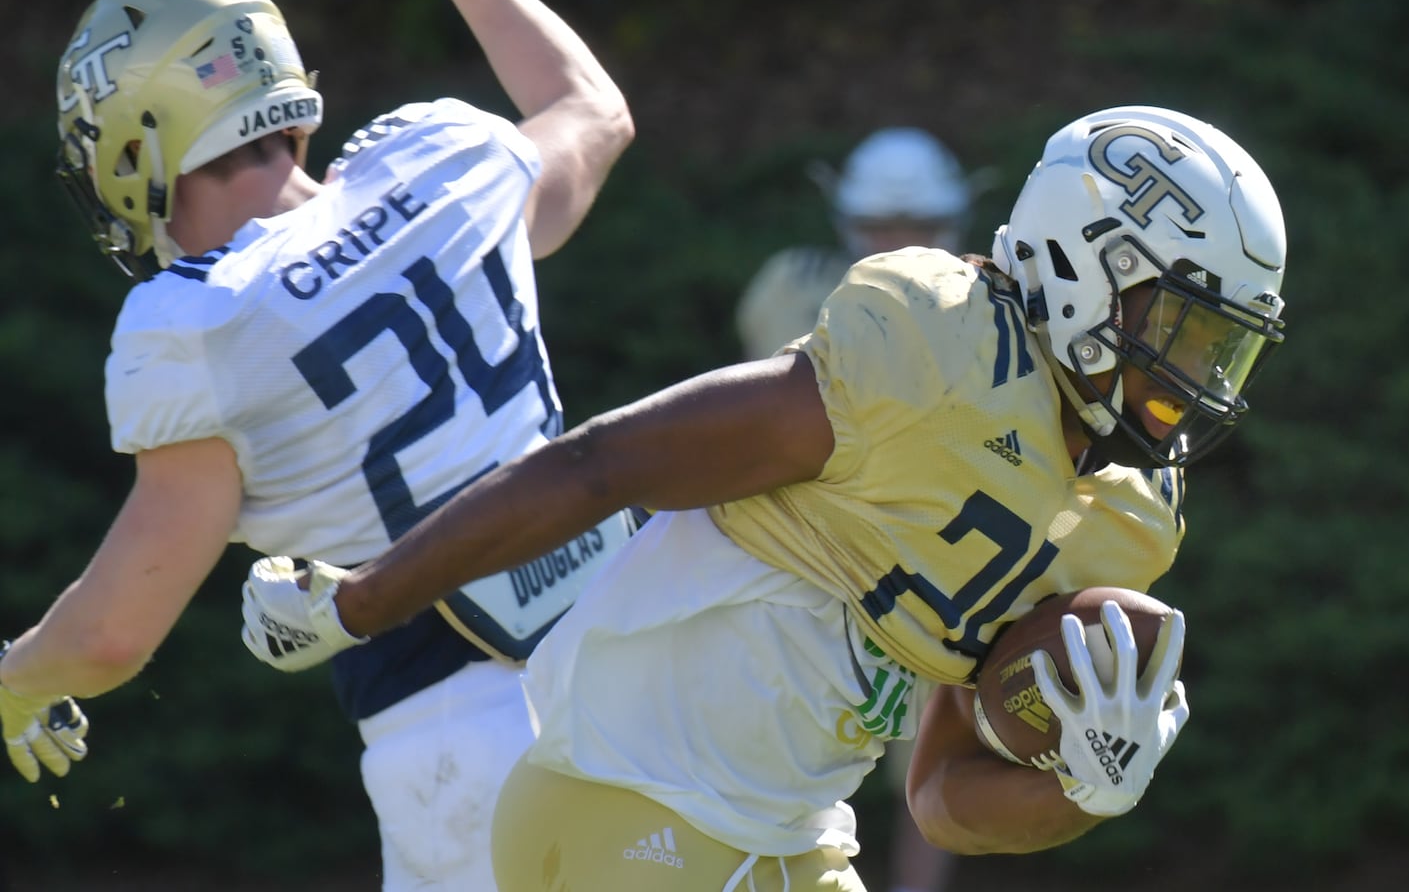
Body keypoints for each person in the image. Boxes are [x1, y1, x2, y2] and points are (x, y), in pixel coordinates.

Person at [242, 105, 1287, 891]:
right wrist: (361, 601)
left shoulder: (1121, 519)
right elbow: (599, 465)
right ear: (1088, 268)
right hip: (627, 802)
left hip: (790, 839)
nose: (1196, 373)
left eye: (1222, 348)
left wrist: (1083, 790)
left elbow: (936, 797)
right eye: (1183, 329)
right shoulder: (935, 348)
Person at [0, 0, 633, 890]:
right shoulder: (441, 157)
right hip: (655, 649)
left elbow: (116, 629)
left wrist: (16, 678)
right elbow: (592, 110)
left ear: (136, 143)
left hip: (462, 730)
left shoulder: (191, 320)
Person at [736, 125, 991, 892]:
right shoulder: (794, 286)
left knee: (927, 767)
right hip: (805, 552)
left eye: (914, 227)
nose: (899, 242)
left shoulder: (987, 307)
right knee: (784, 761)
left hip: (930, 557)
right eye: (885, 226)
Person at [736, 126, 995, 362]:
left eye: (922, 227)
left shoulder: (992, 295)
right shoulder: (793, 284)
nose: (901, 244)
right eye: (880, 228)